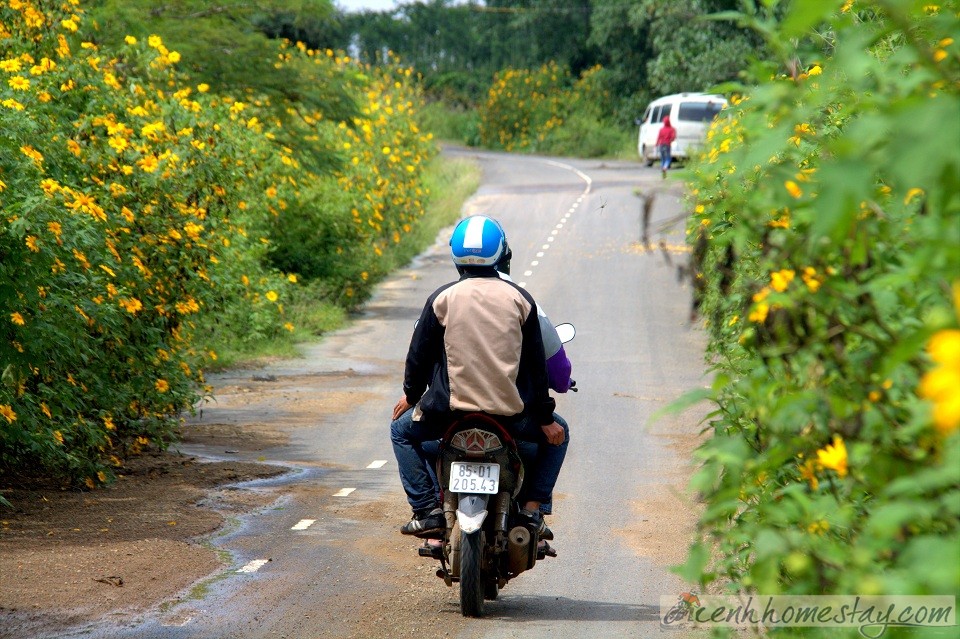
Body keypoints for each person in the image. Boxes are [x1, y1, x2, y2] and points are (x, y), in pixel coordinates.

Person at [390, 215, 569, 540]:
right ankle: (532, 510)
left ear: (456, 256)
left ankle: (426, 510)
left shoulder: (441, 299)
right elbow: (535, 368)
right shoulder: (520, 300)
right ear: (502, 253)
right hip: (511, 418)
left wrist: (412, 396)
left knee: (400, 432)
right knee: (562, 433)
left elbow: (418, 359)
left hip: (447, 415)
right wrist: (544, 418)